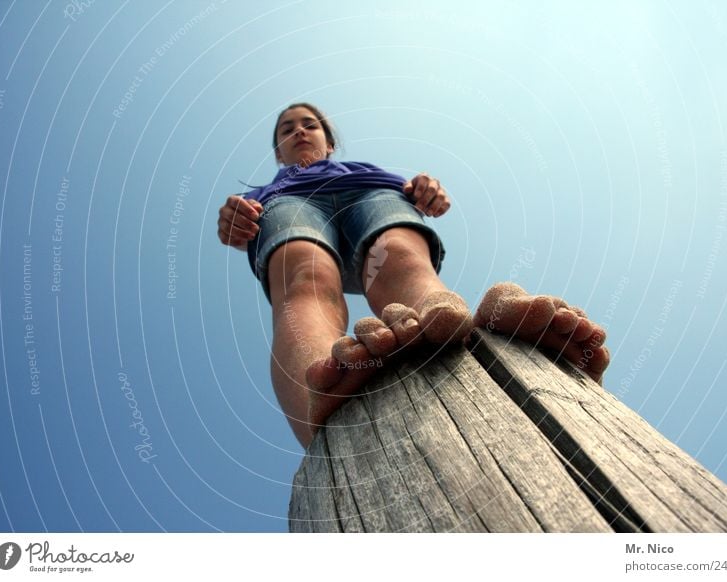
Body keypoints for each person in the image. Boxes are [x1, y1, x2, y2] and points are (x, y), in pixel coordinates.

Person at [218, 103, 609, 448]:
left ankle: (440, 316)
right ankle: (318, 385)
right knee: (303, 278)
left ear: (329, 141)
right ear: (279, 152)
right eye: (287, 129)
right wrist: (234, 224)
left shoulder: (367, 171)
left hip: (371, 193)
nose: (299, 131)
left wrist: (426, 189)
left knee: (399, 256)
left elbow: (415, 192)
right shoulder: (265, 192)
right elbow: (241, 229)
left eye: (309, 124)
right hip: (289, 203)